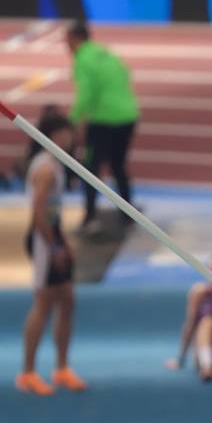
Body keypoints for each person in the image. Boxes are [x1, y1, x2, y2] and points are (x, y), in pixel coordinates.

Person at [16, 112, 87, 395]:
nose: (68, 138)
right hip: (44, 240)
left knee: (67, 301)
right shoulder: (45, 168)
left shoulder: (56, 164)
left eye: (69, 133)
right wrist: (55, 244)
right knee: (44, 304)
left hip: (54, 235)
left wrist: (64, 239)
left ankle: (61, 368)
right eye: (63, 134)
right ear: (52, 136)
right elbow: (39, 212)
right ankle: (28, 373)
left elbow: (53, 212)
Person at [66, 21, 140, 233]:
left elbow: (86, 94)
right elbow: (126, 75)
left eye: (68, 41)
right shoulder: (106, 52)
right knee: (118, 164)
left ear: (76, 39)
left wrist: (73, 121)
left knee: (90, 168)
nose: (66, 46)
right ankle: (127, 214)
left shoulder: (83, 58)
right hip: (128, 115)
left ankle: (90, 217)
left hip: (103, 120)